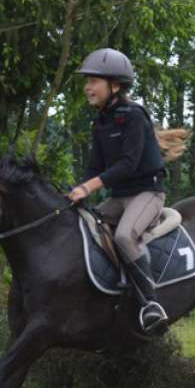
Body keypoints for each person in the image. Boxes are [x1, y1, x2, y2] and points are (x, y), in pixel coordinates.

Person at [67, 48, 168, 335]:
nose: (87, 87)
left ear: (114, 85)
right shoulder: (100, 122)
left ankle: (150, 304)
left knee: (124, 236)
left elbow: (128, 164)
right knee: (82, 223)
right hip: (119, 197)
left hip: (147, 194)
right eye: (86, 81)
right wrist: (75, 191)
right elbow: (94, 167)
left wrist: (89, 187)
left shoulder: (134, 116)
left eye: (93, 81)